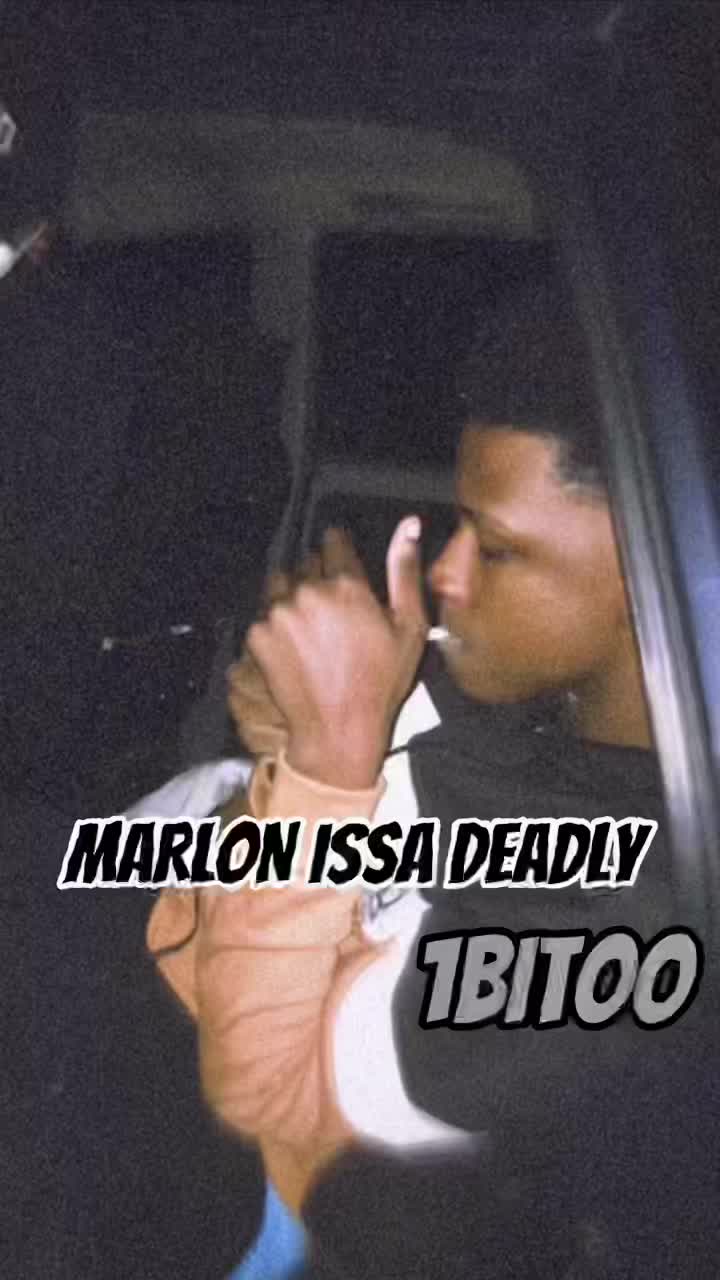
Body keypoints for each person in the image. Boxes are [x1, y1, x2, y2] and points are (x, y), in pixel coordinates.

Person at [147, 274, 718, 1278]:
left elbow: (261, 1088)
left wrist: (325, 767)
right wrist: (311, 733)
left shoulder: (643, 925)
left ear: (649, 573)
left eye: (497, 549)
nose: (448, 572)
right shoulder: (537, 708)